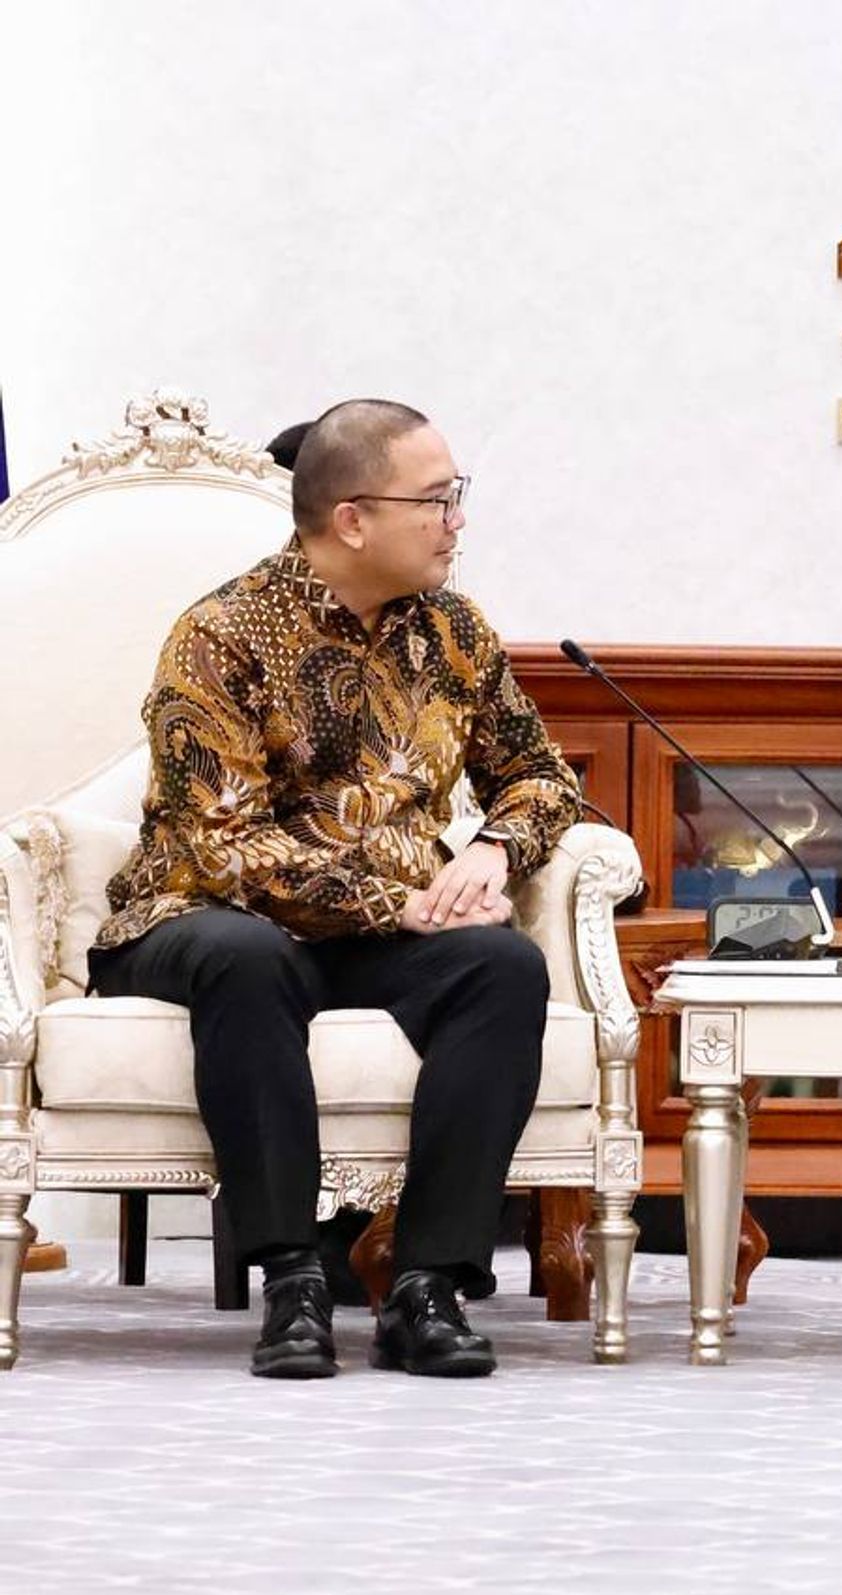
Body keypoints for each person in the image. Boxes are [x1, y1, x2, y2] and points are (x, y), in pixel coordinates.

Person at [88, 398, 579, 1379]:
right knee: (247, 955)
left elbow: (540, 776)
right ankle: (293, 1281)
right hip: (202, 913)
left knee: (500, 966)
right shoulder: (221, 634)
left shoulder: (453, 631)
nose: (456, 521)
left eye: (456, 496)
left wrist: (493, 850)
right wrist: (396, 902)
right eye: (435, 500)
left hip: (380, 932)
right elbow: (223, 845)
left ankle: (427, 1286)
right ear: (352, 518)